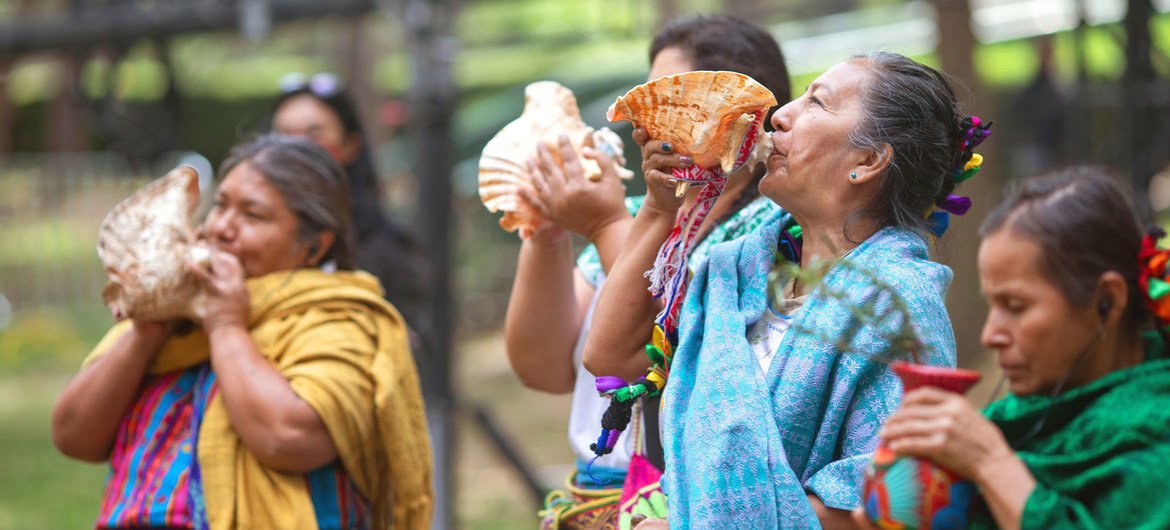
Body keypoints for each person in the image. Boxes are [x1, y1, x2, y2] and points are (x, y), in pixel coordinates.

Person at [584, 52, 985, 528]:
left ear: (868, 160)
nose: (780, 115)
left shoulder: (898, 303)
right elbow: (610, 356)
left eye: (817, 102)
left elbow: (892, 504)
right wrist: (658, 208)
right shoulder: (737, 270)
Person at [51, 134, 433, 530]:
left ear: (314, 248)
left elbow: (288, 438)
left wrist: (226, 327)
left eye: (253, 215)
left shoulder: (338, 322)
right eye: (220, 205)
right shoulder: (175, 316)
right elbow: (72, 435)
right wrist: (149, 329)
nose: (221, 228)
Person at [504, 14, 791, 526]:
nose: (649, 116)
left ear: (736, 111)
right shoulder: (639, 214)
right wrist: (547, 230)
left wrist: (605, 224)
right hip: (595, 498)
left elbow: (679, 342)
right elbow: (542, 369)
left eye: (669, 98)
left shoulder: (774, 226)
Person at [857, 167, 1170, 529]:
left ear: (1108, 301)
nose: (991, 335)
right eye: (993, 306)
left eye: (1016, 306)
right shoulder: (1016, 421)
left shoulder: (1157, 438)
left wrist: (990, 463)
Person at [270, 72, 433, 351]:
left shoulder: (389, 249)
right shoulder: (241, 239)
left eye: (314, 134)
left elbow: (415, 343)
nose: (296, 149)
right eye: (283, 135)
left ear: (350, 146)